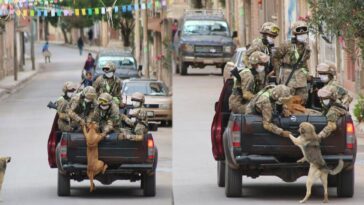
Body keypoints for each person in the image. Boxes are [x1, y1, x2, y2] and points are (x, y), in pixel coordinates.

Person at [273, 20, 311, 104]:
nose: (302, 36)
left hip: (301, 78)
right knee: (287, 99)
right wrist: (278, 74)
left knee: (303, 99)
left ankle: (300, 115)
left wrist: (307, 73)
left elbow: (304, 63)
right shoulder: (286, 45)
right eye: (300, 34)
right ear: (295, 34)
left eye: (304, 34)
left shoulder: (306, 47)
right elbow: (276, 58)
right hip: (288, 77)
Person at [316, 63, 353, 139]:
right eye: (320, 74)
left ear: (330, 75)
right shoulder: (328, 84)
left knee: (331, 121)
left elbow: (332, 126)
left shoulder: (333, 86)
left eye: (323, 74)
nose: (321, 76)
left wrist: (318, 137)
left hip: (339, 107)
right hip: (334, 105)